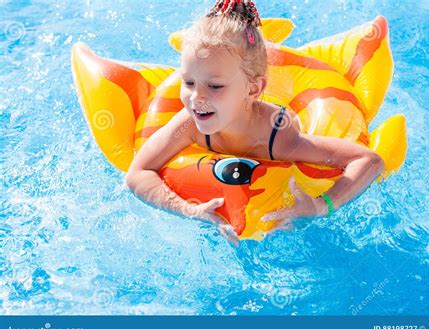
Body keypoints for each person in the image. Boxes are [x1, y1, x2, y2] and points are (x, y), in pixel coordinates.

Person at [125, 0, 384, 236]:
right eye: (189, 82)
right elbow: (138, 172)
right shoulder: (190, 124)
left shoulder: (278, 137)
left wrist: (321, 206)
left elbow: (368, 160)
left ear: (254, 88)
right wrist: (188, 210)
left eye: (215, 86)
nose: (196, 98)